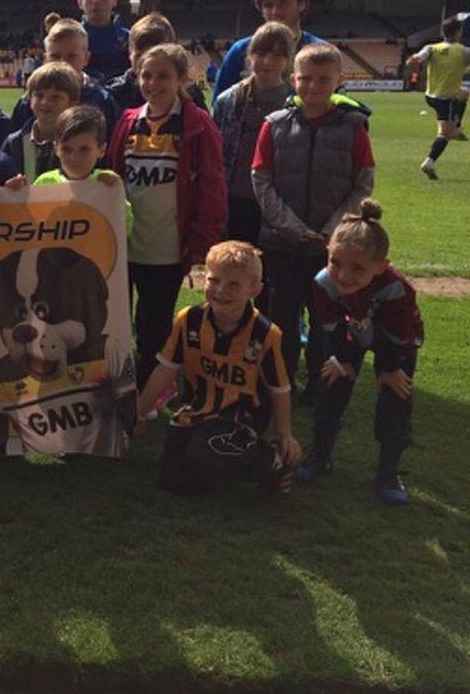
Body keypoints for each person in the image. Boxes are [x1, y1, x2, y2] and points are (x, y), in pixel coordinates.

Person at [251, 42, 375, 402]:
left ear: (339, 80)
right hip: (282, 243)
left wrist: (332, 231)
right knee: (282, 317)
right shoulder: (273, 125)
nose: (313, 87)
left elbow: (362, 183)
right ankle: (282, 380)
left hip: (329, 247)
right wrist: (288, 226)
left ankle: (320, 385)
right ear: (293, 79)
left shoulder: (354, 127)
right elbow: (262, 180)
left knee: (326, 320)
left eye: (323, 79)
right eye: (305, 79)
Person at [134, 240, 299, 494]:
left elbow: (280, 388)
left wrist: (284, 433)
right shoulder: (188, 320)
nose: (221, 290)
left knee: (204, 451)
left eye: (233, 284)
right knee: (172, 480)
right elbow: (165, 369)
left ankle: (271, 461)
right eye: (214, 280)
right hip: (198, 410)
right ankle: (222, 466)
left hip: (241, 416)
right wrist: (140, 413)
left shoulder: (266, 334)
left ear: (255, 289)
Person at [107, 43, 226, 387]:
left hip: (168, 250)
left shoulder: (197, 125)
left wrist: (202, 244)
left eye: (163, 76)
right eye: (146, 74)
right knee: (116, 322)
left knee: (154, 325)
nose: (153, 83)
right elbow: (111, 178)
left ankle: (148, 391)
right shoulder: (128, 121)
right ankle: (119, 382)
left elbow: (212, 188)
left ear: (181, 79)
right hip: (125, 245)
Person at [296, 200, 422, 506]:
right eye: (335, 261)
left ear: (382, 265)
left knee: (395, 397)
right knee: (332, 384)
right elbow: (329, 326)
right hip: (352, 335)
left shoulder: (397, 289)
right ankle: (320, 454)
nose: (343, 275)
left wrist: (390, 369)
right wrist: (341, 358)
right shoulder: (323, 282)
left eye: (358, 268)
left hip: (397, 342)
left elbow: (396, 334)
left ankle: (389, 471)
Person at [211, 21, 295, 244]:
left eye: (277, 55)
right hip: (233, 200)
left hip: (277, 204)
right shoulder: (228, 101)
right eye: (261, 53)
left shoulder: (296, 105)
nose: (267, 62)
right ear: (250, 55)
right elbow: (212, 155)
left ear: (288, 61)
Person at [212, 0, 324, 98]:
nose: (276, 11)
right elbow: (219, 106)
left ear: (301, 4)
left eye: (283, 2)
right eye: (268, 5)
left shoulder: (319, 50)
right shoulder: (241, 50)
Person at [12, 17, 118, 138]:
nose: (63, 62)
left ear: (86, 58)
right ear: (45, 58)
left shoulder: (101, 100)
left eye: (71, 56)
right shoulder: (30, 101)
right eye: (55, 56)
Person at [407, 15, 470, 180]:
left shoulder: (431, 48)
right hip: (446, 99)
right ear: (458, 33)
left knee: (463, 92)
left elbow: (418, 59)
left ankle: (457, 127)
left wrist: (413, 60)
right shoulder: (463, 51)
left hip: (430, 96)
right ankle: (429, 161)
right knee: (444, 134)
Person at [107, 13, 208, 113]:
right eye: (139, 56)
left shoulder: (189, 93)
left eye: (156, 58)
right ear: (129, 53)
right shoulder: (114, 95)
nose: (146, 65)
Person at [3, 62, 79, 184]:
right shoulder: (14, 143)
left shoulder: (80, 143)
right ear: (30, 99)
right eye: (39, 95)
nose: (45, 102)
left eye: (55, 97)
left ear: (73, 103)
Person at [33, 104, 121, 188]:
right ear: (56, 149)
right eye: (66, 149)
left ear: (102, 150)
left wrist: (113, 190)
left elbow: (119, 203)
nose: (74, 157)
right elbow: (29, 203)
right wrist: (20, 194)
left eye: (84, 149)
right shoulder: (45, 183)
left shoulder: (107, 182)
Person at [77, 0, 130, 83]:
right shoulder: (69, 41)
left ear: (115, 0)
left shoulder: (130, 40)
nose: (95, 1)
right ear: (80, 3)